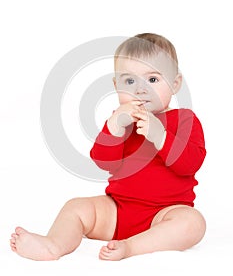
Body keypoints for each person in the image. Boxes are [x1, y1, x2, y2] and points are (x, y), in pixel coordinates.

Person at [10, 33, 206, 261]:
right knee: (75, 207)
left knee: (193, 223)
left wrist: (160, 136)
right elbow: (104, 161)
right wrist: (114, 127)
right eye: (130, 81)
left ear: (175, 84)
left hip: (164, 215)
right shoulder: (121, 121)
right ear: (116, 85)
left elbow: (190, 164)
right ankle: (53, 245)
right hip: (118, 210)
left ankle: (131, 247)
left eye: (152, 80)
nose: (140, 90)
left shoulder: (184, 120)